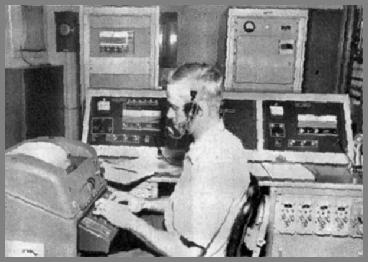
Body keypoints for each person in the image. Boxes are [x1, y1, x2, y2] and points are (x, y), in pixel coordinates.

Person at [93, 63, 251, 257]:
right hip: (176, 237)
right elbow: (188, 206)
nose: (169, 114)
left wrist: (130, 221)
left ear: (197, 110)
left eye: (174, 108)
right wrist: (143, 203)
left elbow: (188, 253)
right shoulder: (219, 144)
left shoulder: (214, 165)